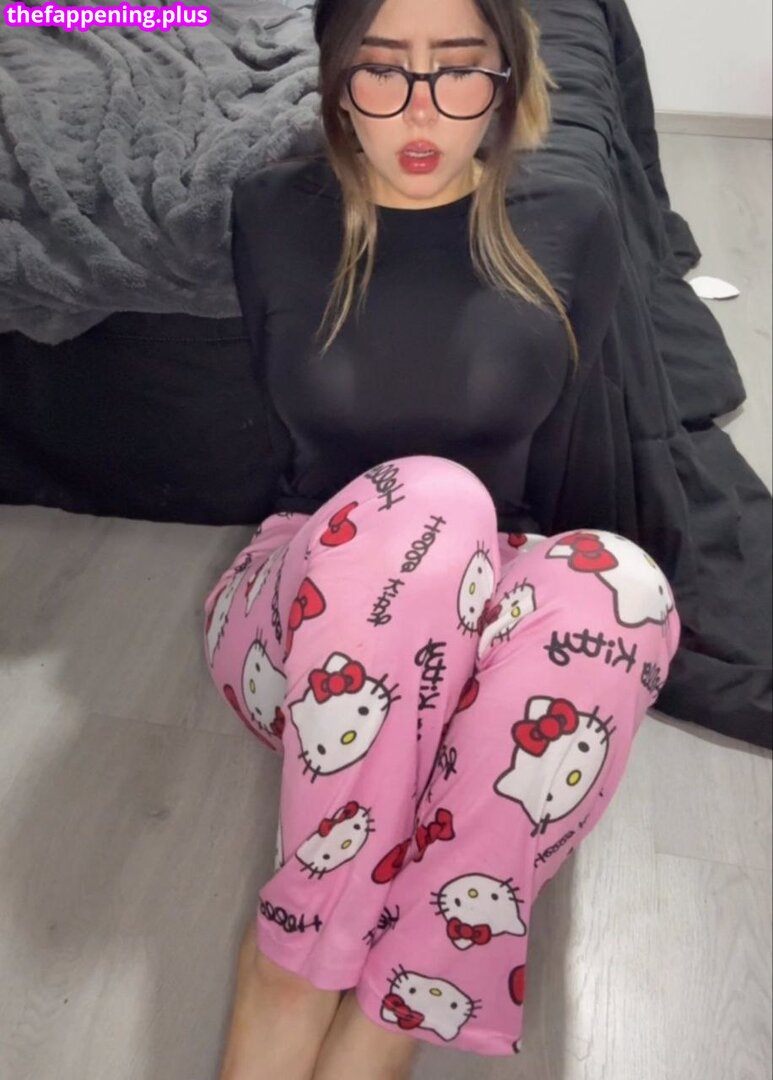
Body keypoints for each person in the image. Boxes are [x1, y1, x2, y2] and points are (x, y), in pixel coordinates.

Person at [204, 0, 682, 1076]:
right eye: (381, 70)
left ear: (507, 77)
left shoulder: (571, 217)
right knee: (430, 501)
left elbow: (559, 443)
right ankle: (293, 965)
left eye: (458, 71)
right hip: (303, 614)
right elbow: (283, 433)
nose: (419, 113)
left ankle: (389, 1010)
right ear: (335, 77)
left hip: (483, 581)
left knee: (621, 585)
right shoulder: (269, 212)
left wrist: (518, 631)